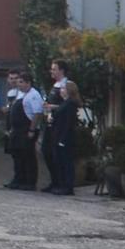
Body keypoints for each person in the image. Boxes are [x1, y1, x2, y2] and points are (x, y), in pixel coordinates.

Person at [5, 71, 44, 190]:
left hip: (26, 130)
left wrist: (32, 130)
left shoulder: (34, 95)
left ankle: (30, 182)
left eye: (21, 82)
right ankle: (19, 179)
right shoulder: (22, 94)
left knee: (28, 157)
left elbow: (37, 113)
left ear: (28, 83)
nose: (19, 85)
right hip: (17, 130)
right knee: (18, 156)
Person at [41, 59, 70, 190]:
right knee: (47, 152)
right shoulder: (55, 85)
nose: (51, 71)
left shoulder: (67, 85)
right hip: (50, 122)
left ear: (61, 71)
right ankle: (55, 181)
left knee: (59, 155)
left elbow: (69, 105)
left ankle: (63, 184)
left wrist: (52, 106)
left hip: (60, 125)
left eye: (54, 69)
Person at [48, 81, 80, 196]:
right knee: (60, 162)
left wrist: (63, 139)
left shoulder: (70, 104)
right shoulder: (64, 103)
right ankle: (62, 185)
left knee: (66, 163)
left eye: (63, 89)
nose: (61, 91)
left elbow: (68, 123)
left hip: (64, 137)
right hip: (58, 135)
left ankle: (68, 186)